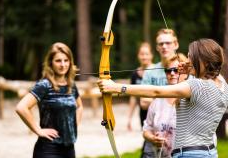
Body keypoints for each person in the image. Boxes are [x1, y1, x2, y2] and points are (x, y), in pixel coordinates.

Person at [98, 38, 228, 158]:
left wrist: (116, 87)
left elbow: (156, 91)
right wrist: (191, 70)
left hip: (190, 153)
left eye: (190, 58)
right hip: (210, 152)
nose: (187, 62)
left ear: (203, 61)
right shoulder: (223, 85)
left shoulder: (197, 86)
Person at [16, 42, 83, 158]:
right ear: (50, 63)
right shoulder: (44, 85)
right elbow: (21, 108)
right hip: (48, 149)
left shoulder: (71, 85)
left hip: (69, 148)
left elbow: (80, 106)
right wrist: (38, 130)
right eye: (58, 61)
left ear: (70, 62)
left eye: (66, 60)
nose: (63, 65)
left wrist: (73, 125)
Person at [140, 28, 179, 157]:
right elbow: (143, 102)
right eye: (161, 44)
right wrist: (165, 101)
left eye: (168, 43)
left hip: (177, 134)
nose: (164, 46)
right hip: (154, 131)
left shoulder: (183, 67)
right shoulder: (150, 70)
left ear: (176, 44)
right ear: (156, 47)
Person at [142, 53, 188, 158]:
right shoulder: (157, 101)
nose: (172, 73)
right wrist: (153, 138)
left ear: (185, 72)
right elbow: (146, 130)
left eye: (176, 70)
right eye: (168, 70)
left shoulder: (191, 100)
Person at [127, 42, 154, 131]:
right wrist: (129, 118)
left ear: (151, 55)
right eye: (142, 54)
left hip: (157, 112)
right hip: (143, 112)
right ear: (138, 55)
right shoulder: (135, 74)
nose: (144, 57)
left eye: (146, 54)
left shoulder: (157, 71)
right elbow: (133, 97)